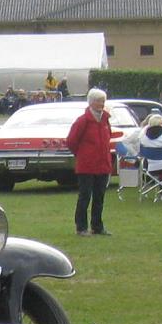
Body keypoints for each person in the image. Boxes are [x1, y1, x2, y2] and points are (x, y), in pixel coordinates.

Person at [64, 88, 118, 236]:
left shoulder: (105, 119)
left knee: (99, 197)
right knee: (85, 196)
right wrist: (82, 154)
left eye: (103, 101)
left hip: (103, 165)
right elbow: (71, 141)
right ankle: (81, 227)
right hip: (86, 166)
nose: (102, 104)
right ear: (91, 102)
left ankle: (97, 226)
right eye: (99, 101)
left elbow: (108, 138)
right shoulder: (82, 121)